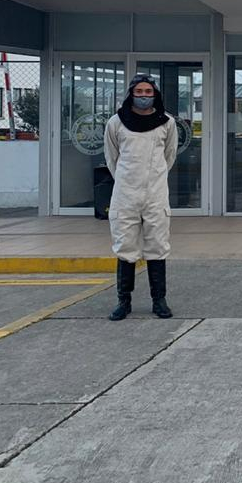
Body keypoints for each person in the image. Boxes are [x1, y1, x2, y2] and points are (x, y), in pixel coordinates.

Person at [104, 74, 178, 321]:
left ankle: (159, 300)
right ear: (131, 94)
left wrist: (152, 178)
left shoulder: (167, 122)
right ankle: (123, 302)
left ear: (155, 94)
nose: (144, 96)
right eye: (140, 91)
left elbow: (169, 156)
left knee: (157, 245)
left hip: (155, 193)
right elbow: (112, 157)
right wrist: (128, 179)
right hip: (125, 193)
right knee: (126, 247)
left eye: (149, 92)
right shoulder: (116, 122)